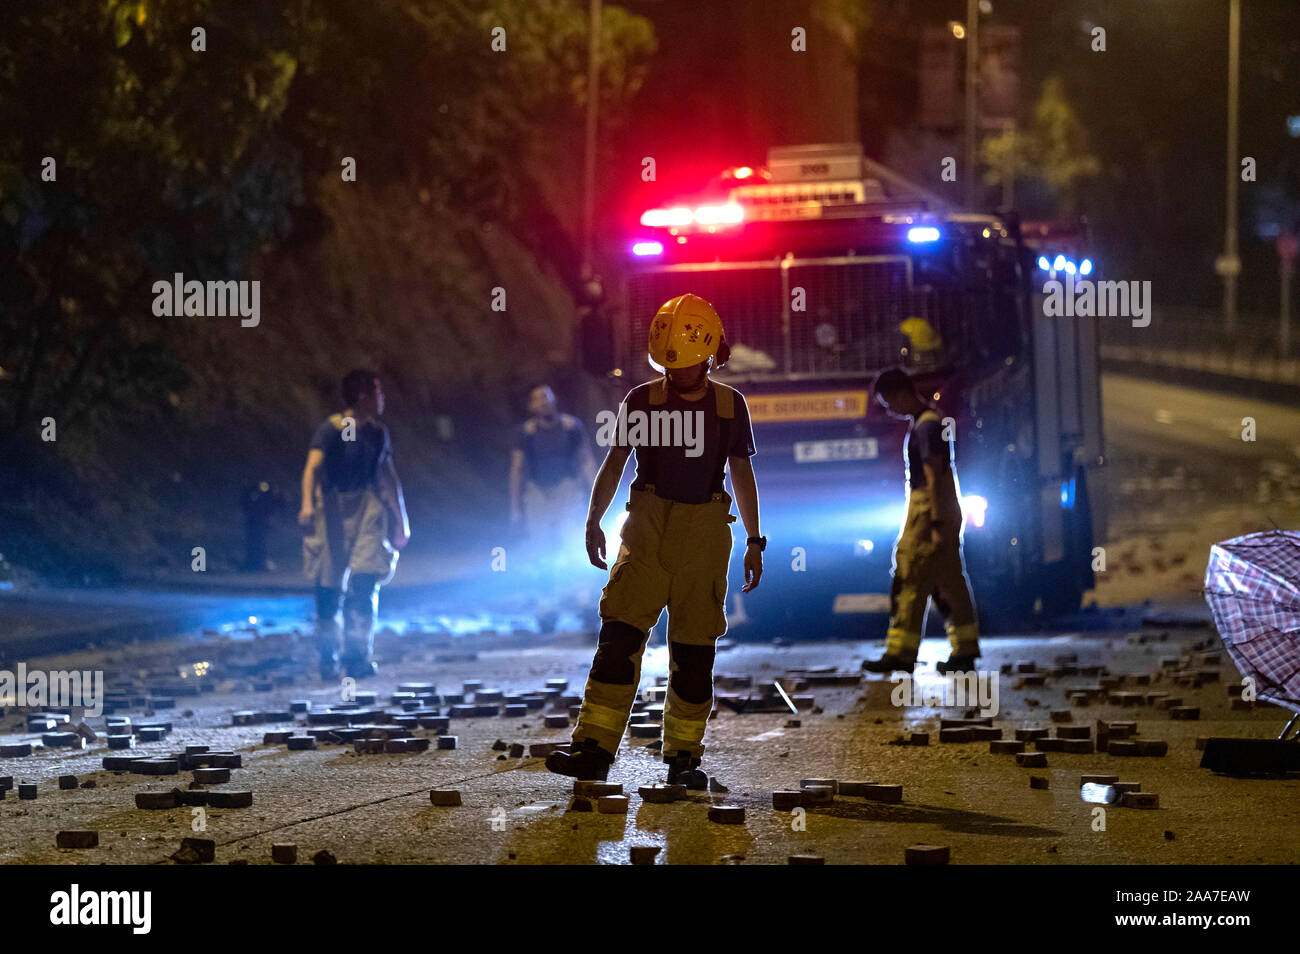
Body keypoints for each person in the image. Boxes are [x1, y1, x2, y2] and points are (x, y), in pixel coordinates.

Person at [546, 293, 765, 785]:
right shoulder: (641, 400)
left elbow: (742, 475)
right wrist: (593, 519)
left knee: (693, 650)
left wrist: (755, 540)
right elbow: (615, 461)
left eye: (688, 365)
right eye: (671, 365)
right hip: (645, 527)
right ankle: (593, 749)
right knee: (619, 636)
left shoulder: (731, 406)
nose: (678, 373)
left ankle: (684, 760)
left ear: (710, 354)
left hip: (704, 532)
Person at [862, 366, 980, 675]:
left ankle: (902, 653)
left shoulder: (926, 427)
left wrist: (937, 523)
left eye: (889, 403)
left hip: (928, 510)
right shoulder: (932, 421)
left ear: (901, 394)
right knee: (948, 580)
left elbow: (934, 474)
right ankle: (962, 652)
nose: (890, 410)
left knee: (911, 575)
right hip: (939, 509)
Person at [298, 369, 410, 680]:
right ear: (363, 398)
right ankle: (327, 655)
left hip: (368, 508)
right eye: (377, 392)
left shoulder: (377, 433)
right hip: (333, 509)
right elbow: (313, 468)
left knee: (364, 583)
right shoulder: (335, 429)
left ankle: (357, 655)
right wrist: (307, 504)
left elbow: (389, 478)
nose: (382, 397)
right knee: (329, 587)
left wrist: (401, 520)